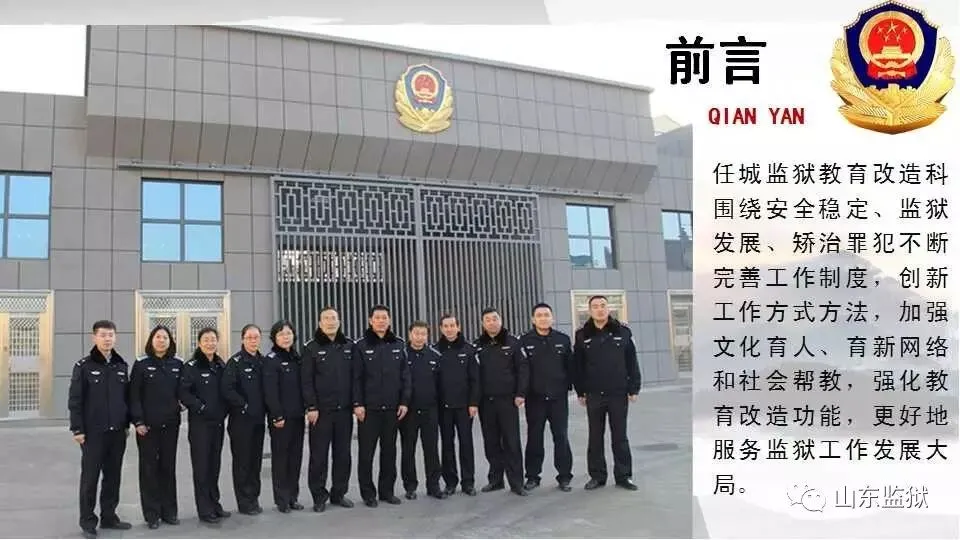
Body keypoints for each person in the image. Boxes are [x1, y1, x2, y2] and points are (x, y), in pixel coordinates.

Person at [68, 320, 134, 539]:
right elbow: (75, 400)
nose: (107, 339)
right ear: (94, 337)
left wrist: (126, 424)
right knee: (90, 478)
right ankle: (88, 521)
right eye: (103, 335)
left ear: (115, 337)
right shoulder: (84, 366)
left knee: (113, 476)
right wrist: (77, 429)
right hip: (93, 433)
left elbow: (126, 399)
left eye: (111, 335)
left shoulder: (121, 365)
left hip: (117, 432)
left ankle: (109, 516)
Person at [573, 295, 641, 491]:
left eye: (603, 305)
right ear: (590, 311)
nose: (599, 309)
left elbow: (632, 362)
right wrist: (580, 391)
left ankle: (624, 476)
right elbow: (578, 366)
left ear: (608, 308)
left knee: (620, 436)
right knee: (595, 436)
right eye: (595, 306)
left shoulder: (623, 332)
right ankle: (597, 476)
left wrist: (634, 388)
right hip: (594, 394)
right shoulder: (582, 335)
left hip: (618, 393)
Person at [352, 305, 411, 507]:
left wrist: (404, 402)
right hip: (369, 410)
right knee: (366, 454)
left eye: (384, 317)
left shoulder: (398, 344)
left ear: (389, 320)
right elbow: (356, 378)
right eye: (377, 317)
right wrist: (358, 404)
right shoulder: (360, 346)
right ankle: (368, 493)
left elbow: (405, 376)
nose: (381, 321)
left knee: (389, 452)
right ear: (370, 320)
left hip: (392, 409)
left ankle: (387, 491)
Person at [301, 307, 357, 512]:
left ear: (339, 321)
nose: (331, 321)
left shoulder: (349, 346)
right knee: (319, 456)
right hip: (321, 412)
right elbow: (306, 381)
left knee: (343, 455)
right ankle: (319, 496)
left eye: (334, 318)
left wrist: (356, 403)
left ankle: (338, 493)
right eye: (326, 318)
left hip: (344, 411)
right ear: (320, 323)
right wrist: (311, 406)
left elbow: (356, 378)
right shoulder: (311, 348)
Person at [129, 325, 184, 528]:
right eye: (158, 337)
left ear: (170, 341)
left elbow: (184, 390)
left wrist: (184, 403)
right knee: (149, 469)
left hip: (171, 425)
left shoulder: (178, 364)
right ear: (151, 340)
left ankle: (169, 511)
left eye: (165, 337)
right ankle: (152, 514)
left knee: (168, 467)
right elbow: (134, 395)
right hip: (147, 427)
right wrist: (138, 421)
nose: (162, 341)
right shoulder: (141, 364)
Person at [519, 303, 574, 492]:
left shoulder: (563, 340)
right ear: (533, 319)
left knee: (561, 437)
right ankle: (533, 476)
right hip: (535, 399)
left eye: (546, 315)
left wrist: (573, 388)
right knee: (534, 438)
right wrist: (521, 393)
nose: (543, 318)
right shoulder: (524, 341)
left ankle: (564, 476)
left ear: (552, 318)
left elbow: (570, 366)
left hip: (558, 398)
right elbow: (522, 369)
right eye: (539, 315)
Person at [473, 308, 529, 496]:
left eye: (494, 318)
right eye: (487, 320)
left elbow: (523, 369)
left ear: (501, 320)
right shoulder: (478, 346)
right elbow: (474, 376)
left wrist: (520, 393)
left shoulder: (513, 342)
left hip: (508, 400)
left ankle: (517, 482)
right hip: (486, 402)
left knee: (511, 442)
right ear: (483, 324)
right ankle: (496, 480)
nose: (492, 322)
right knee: (491, 442)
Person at [179, 327, 232, 524]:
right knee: (202, 467)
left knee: (214, 466)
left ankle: (214, 503)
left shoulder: (220, 365)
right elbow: (184, 393)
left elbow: (226, 390)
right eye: (206, 340)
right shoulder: (191, 366)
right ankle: (204, 509)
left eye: (213, 339)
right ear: (199, 343)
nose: (210, 343)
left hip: (217, 423)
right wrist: (200, 407)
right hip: (200, 425)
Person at [222, 324, 268, 514]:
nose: (253, 341)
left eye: (256, 337)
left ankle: (254, 498)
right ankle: (244, 502)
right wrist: (244, 405)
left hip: (258, 421)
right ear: (242, 339)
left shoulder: (263, 362)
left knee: (255, 462)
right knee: (243, 462)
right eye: (249, 337)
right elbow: (227, 389)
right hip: (241, 422)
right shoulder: (235, 362)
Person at [399, 321, 447, 501]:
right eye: (416, 333)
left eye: (423, 334)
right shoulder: (402, 355)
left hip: (430, 410)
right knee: (408, 450)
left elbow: (441, 386)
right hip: (409, 411)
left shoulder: (435, 356)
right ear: (410, 334)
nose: (419, 337)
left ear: (427, 335)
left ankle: (433, 485)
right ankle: (410, 486)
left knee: (431, 449)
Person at [263, 320, 306, 513]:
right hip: (281, 419)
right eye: (281, 334)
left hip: (297, 416)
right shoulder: (271, 360)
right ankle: (282, 499)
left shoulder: (297, 358)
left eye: (288, 333)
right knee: (281, 459)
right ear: (274, 338)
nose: (285, 337)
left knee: (295, 458)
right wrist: (277, 415)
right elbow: (270, 392)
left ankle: (293, 497)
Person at [435, 313, 479, 497]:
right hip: (443, 407)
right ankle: (450, 482)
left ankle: (468, 482)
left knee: (466, 444)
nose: (449, 329)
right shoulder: (435, 350)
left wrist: (473, 402)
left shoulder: (469, 350)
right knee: (447, 445)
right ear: (441, 329)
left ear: (458, 327)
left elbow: (475, 379)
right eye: (445, 326)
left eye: (452, 325)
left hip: (464, 406)